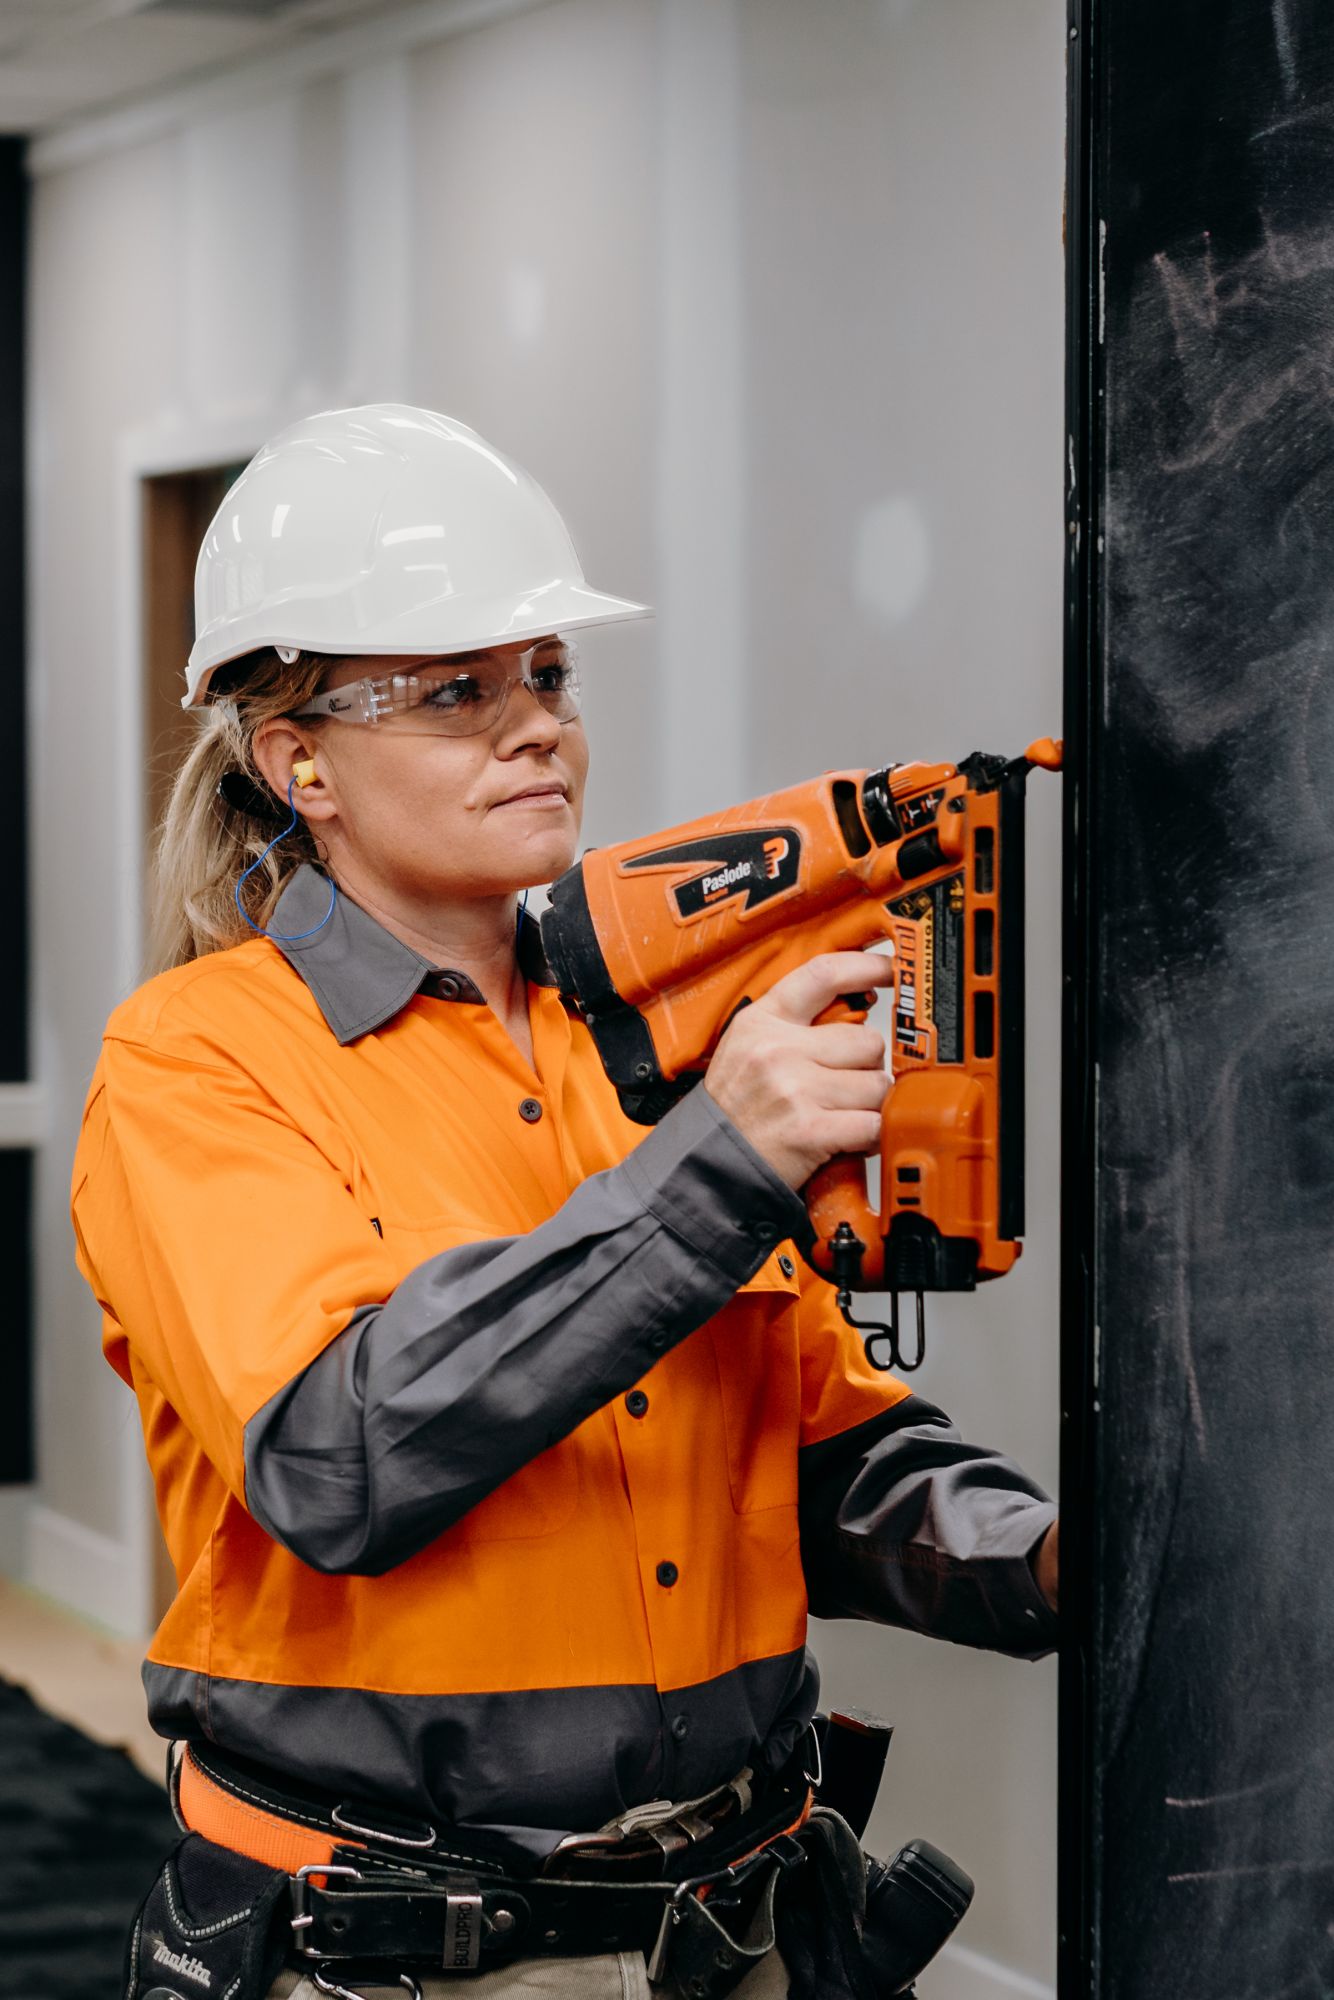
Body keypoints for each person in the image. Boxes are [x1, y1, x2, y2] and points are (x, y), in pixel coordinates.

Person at [70, 404, 1058, 2000]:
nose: (532, 724)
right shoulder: (196, 1063)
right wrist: (723, 1167)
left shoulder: (656, 1051)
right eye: (452, 691)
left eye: (546, 675)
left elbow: (817, 1454)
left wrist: (1071, 1556)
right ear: (296, 759)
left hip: (739, 1926)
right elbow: (340, 1455)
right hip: (399, 1957)